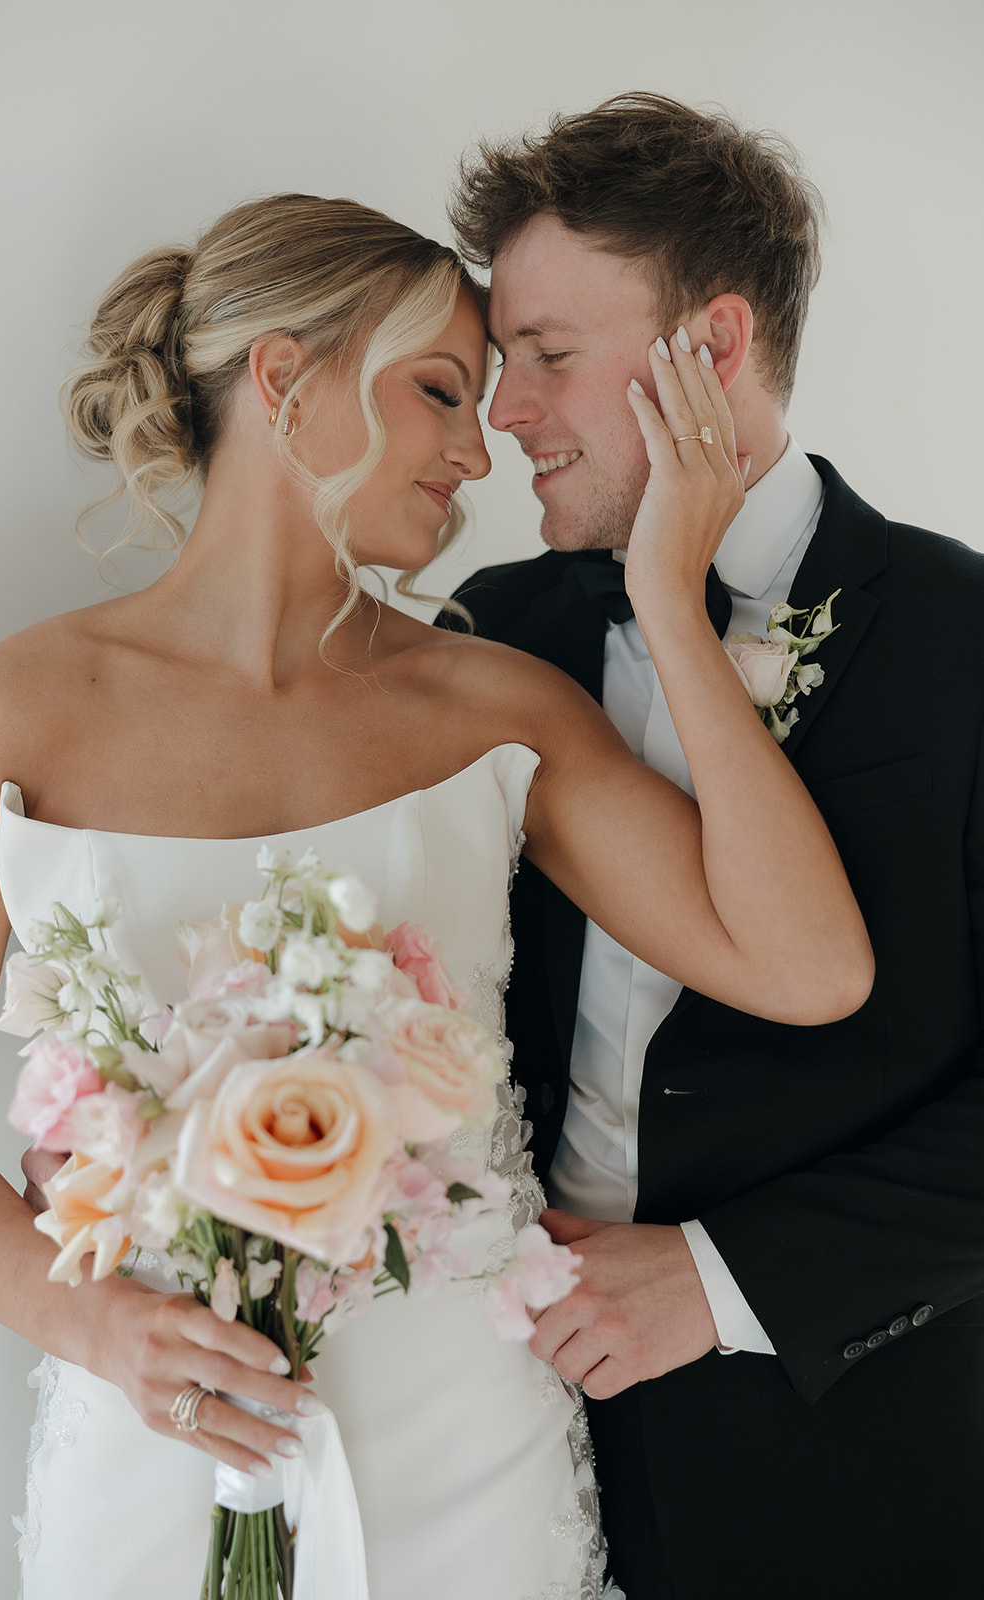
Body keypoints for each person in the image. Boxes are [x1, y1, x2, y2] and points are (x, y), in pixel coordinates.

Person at [0, 192, 870, 1600]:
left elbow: (810, 970)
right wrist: (101, 1332)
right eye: (441, 393)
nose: (478, 453)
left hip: (463, 1449)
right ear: (286, 381)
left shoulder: (495, 706)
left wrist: (668, 599)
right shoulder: (19, 708)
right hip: (154, 1436)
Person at [446, 91, 984, 1599]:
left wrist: (720, 1280)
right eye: (499, 368)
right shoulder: (493, 634)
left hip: (855, 1476)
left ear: (717, 348)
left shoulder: (965, 637)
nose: (505, 416)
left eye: (546, 358)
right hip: (504, 1451)